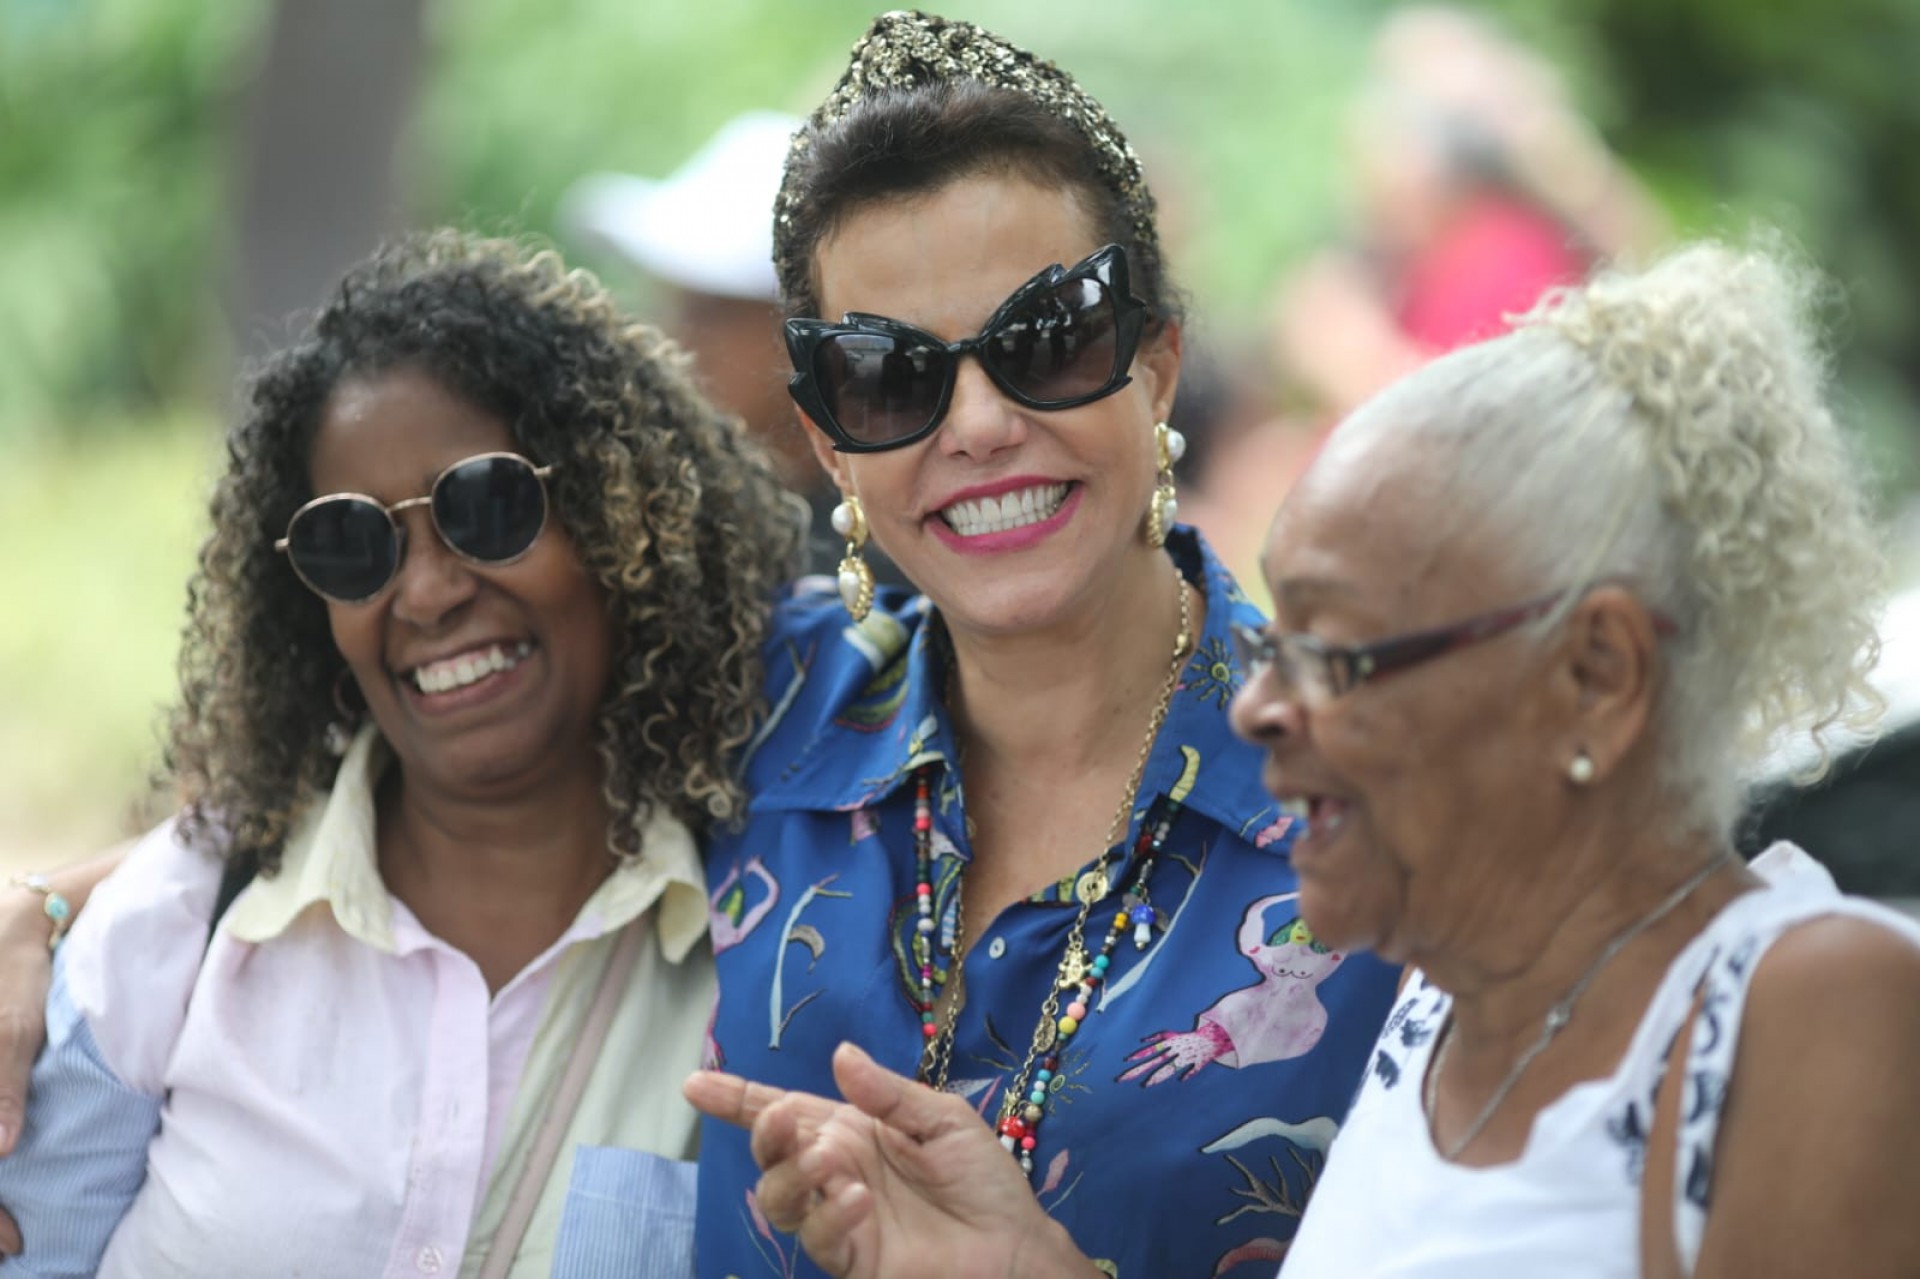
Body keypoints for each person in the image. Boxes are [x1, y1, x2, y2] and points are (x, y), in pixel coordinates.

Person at [687, 240, 1920, 1277]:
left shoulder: (1812, 1003)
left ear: (1596, 672)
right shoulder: (1437, 1014)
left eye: (1341, 652)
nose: (1264, 703)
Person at [681, 14, 1398, 1279]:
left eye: (1047, 340)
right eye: (888, 377)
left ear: (1159, 365)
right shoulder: (750, 708)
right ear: (830, 443)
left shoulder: (1385, 799)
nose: (978, 424)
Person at [0, 230, 801, 1277]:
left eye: (488, 505)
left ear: (618, 513)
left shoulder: (764, 946)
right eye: (352, 543)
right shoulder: (174, 933)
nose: (424, 591)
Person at [560, 110, 903, 585]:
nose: (670, 339)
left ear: (806, 337)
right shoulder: (675, 528)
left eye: (710, 312)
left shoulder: (896, 551)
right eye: (672, 306)